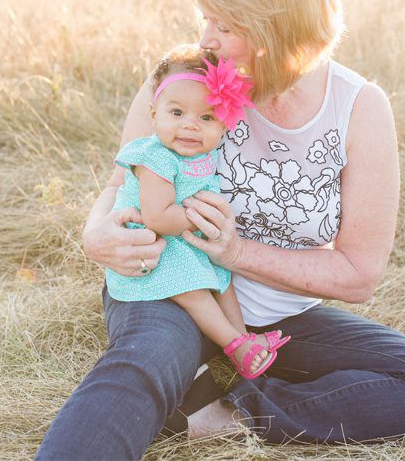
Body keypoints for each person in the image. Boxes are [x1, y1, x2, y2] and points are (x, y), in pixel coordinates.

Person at [36, 0, 405, 459]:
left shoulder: (357, 108)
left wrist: (237, 252)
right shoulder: (181, 83)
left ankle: (224, 407)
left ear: (274, 25)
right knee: (143, 364)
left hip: (280, 316)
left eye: (224, 22)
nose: (206, 39)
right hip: (171, 286)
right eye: (205, 17)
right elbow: (118, 182)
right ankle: (177, 381)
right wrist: (94, 234)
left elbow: (360, 273)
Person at [106, 44, 290, 378]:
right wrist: (206, 220)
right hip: (157, 245)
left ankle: (244, 339)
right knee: (194, 288)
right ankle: (235, 344)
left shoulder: (203, 156)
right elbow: (159, 217)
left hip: (188, 240)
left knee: (222, 280)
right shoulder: (155, 158)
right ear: (154, 115)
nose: (191, 126)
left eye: (206, 118)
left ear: (223, 127)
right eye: (177, 114)